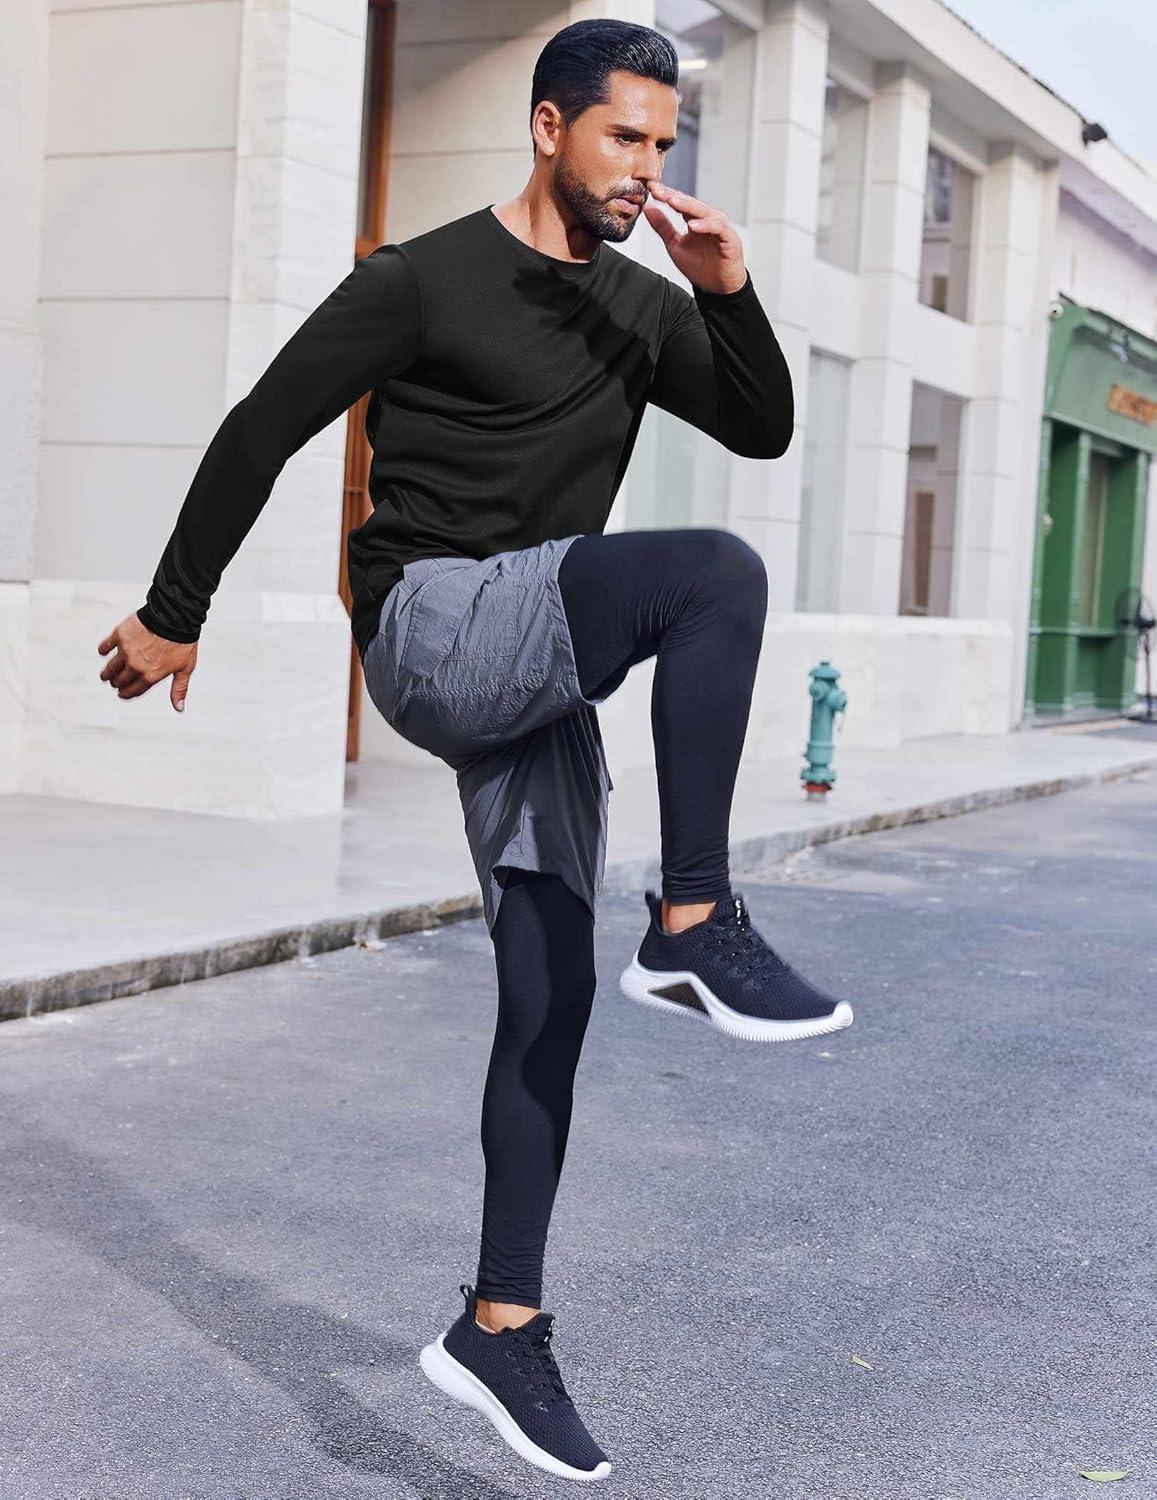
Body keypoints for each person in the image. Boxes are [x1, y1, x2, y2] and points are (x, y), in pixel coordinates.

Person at [96, 17, 853, 1483]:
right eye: (622, 137)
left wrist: (729, 292)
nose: (645, 170)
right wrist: (174, 612)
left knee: (550, 989)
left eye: (663, 144)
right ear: (548, 127)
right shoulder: (420, 280)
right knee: (714, 574)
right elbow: (261, 428)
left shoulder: (640, 306)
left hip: (539, 653)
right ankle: (694, 918)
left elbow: (759, 429)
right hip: (436, 625)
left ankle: (501, 1324)